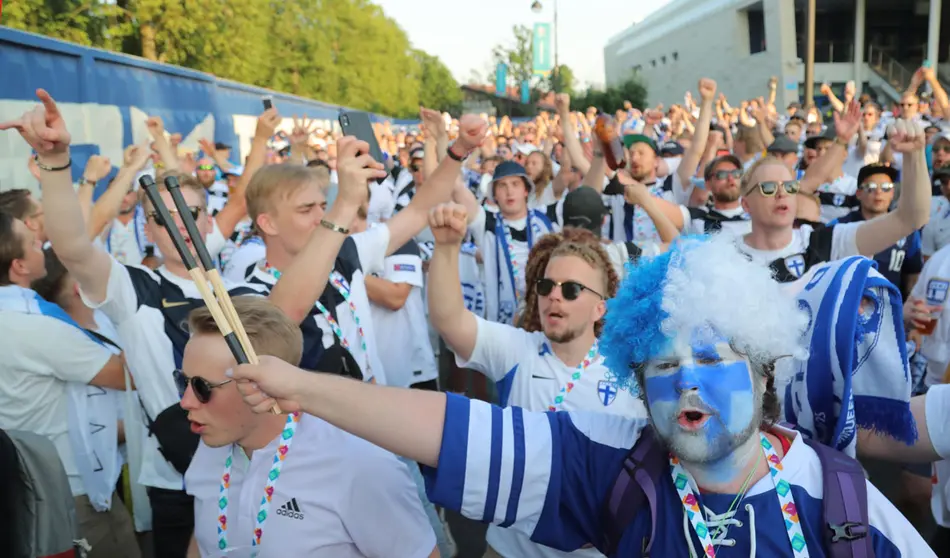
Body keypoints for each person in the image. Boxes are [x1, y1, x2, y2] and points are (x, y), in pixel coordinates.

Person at [227, 232, 935, 557]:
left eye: (712, 359)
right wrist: (300, 388)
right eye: (662, 366)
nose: (686, 379)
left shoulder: (841, 500)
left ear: (760, 371)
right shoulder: (610, 461)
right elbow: (447, 425)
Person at [182, 296, 438, 557]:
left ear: (260, 384)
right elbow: (203, 541)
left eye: (202, 387)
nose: (185, 402)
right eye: (183, 381)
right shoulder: (211, 445)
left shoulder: (359, 467)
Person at [0, 212, 137, 557]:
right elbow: (129, 375)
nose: (41, 247)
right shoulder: (31, 326)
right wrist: (127, 309)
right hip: (69, 487)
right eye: (33, 244)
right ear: (19, 266)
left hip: (22, 478)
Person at [734, 118, 930, 282]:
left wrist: (915, 155)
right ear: (746, 204)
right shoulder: (726, 256)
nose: (781, 193)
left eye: (789, 186)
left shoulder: (826, 242)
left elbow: (910, 218)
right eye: (768, 188)